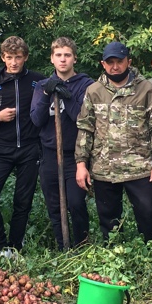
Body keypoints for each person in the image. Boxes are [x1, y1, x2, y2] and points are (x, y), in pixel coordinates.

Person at [76, 41, 152, 242]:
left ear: (128, 62)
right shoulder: (93, 91)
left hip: (140, 165)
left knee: (148, 214)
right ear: (103, 64)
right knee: (108, 220)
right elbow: (85, 129)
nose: (115, 66)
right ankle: (114, 253)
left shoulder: (146, 89)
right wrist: (81, 164)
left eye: (119, 61)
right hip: (104, 167)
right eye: (110, 62)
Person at [0, 36, 43, 257]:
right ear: (2, 57)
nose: (13, 62)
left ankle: (15, 247)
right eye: (9, 57)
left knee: (22, 201)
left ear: (25, 57)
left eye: (18, 57)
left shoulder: (37, 80)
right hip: (1, 148)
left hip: (30, 148)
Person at [30, 37, 94, 249]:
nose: (63, 59)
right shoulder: (42, 86)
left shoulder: (86, 85)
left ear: (74, 58)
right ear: (52, 58)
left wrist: (66, 96)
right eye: (58, 55)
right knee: (55, 205)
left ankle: (81, 246)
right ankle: (62, 247)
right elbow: (36, 120)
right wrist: (47, 94)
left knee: (76, 202)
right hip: (49, 154)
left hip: (75, 156)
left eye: (67, 55)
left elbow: (80, 117)